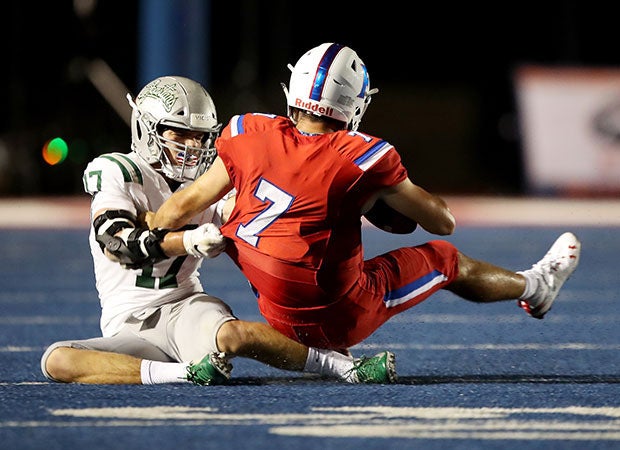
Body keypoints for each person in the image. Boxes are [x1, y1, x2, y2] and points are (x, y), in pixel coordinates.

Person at [149, 44, 581, 352]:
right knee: (445, 257)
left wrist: (144, 232)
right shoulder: (365, 157)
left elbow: (181, 206)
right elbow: (442, 222)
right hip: (338, 317)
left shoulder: (248, 132)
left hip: (270, 306)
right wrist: (377, 191)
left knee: (228, 209)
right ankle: (537, 287)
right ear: (354, 104)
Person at [40, 75, 396, 386]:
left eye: (199, 137)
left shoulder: (208, 184)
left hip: (184, 307)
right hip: (125, 326)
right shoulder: (120, 171)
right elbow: (117, 242)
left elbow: (261, 225)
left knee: (232, 334)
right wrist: (189, 241)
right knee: (56, 359)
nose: (192, 146)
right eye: (180, 133)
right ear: (147, 128)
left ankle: (346, 368)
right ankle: (187, 373)